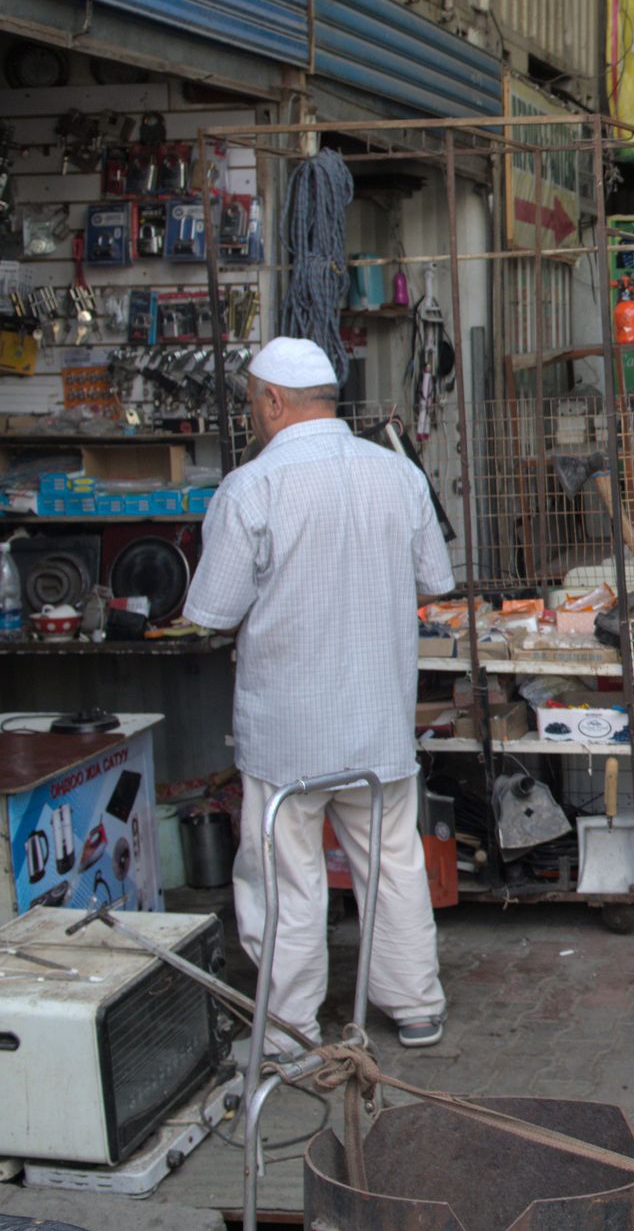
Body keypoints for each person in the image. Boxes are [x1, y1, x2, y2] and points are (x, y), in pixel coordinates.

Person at [184, 337, 456, 1054]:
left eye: (251, 402)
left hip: (289, 729)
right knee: (393, 861)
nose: (253, 414)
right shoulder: (396, 474)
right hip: (377, 719)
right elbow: (436, 579)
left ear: (272, 401)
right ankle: (415, 1007)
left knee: (285, 880)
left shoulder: (252, 488)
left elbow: (209, 612)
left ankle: (288, 1032)